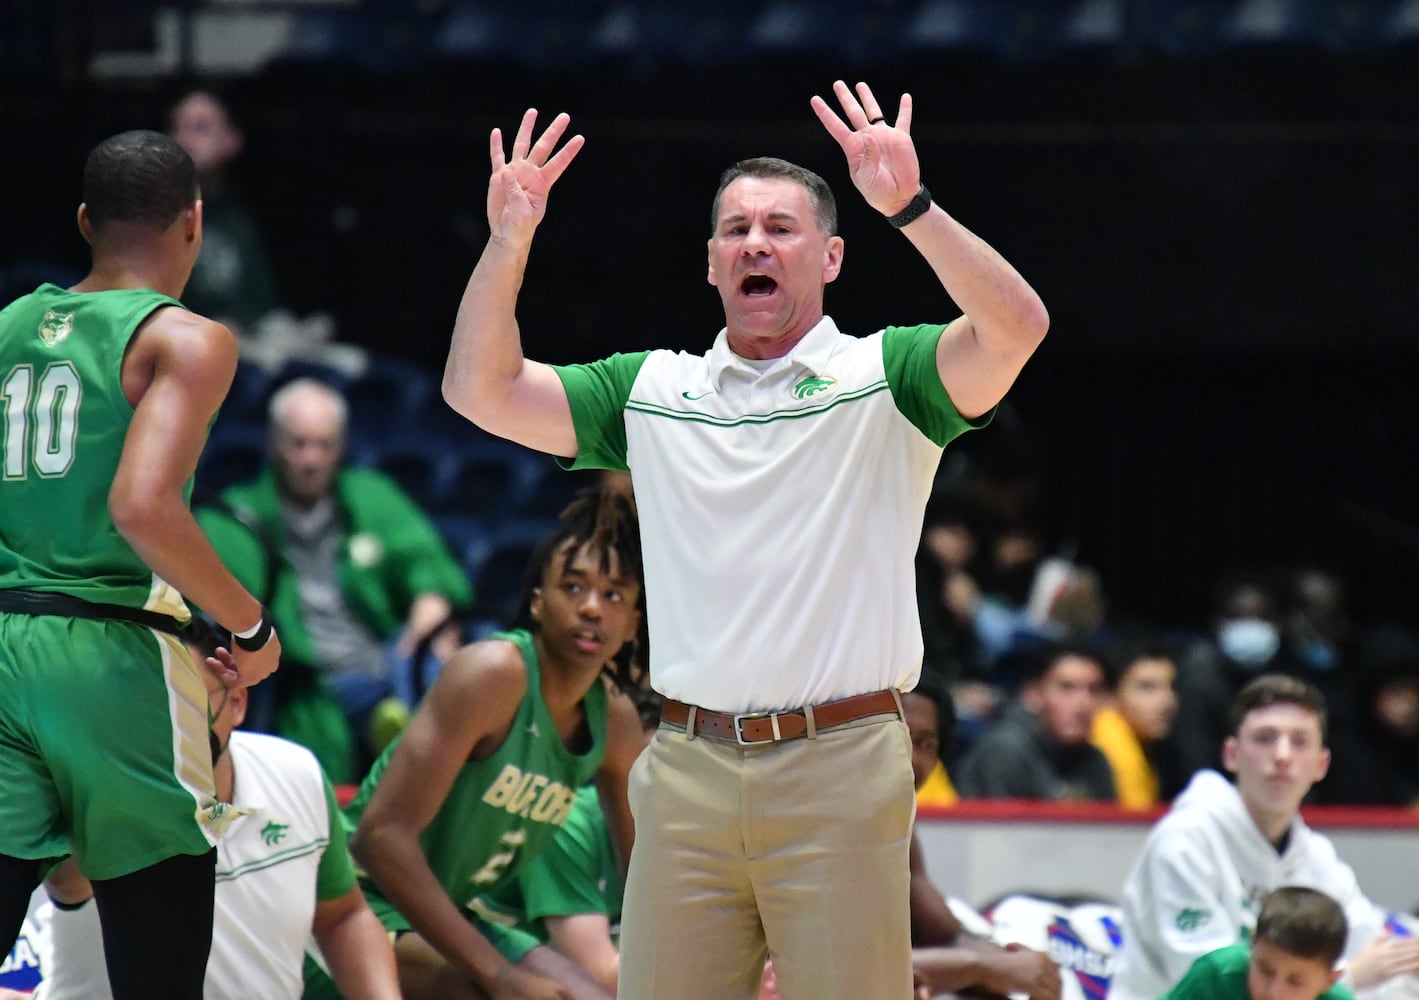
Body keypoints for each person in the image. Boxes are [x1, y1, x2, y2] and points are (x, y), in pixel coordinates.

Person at [440, 78, 1049, 999]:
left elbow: (1017, 327)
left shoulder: (885, 376)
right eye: (735, 229)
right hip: (682, 767)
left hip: (838, 765)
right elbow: (478, 390)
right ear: (712, 263)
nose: (755, 242)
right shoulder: (651, 389)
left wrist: (912, 209)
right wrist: (508, 240)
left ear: (832, 257)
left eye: (780, 227)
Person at [0, 128, 280, 1000]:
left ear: (87, 221)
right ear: (194, 222)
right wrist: (250, 626)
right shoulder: (190, 339)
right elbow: (141, 505)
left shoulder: (8, 327)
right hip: (114, 658)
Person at [302, 488, 649, 1000]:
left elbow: (643, 870)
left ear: (633, 623)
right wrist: (498, 975)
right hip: (351, 902)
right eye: (573, 587)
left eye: (614, 594)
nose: (592, 608)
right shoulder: (493, 674)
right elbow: (379, 838)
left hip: (448, 910)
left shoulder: (615, 718)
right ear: (537, 600)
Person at [22, 617, 399, 1000]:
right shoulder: (89, 791)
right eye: (144, 709)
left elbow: (343, 916)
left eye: (185, 707)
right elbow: (69, 883)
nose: (165, 730)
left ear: (236, 702)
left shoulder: (294, 773)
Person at [197, 376, 473, 783]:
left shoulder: (371, 495)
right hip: (318, 674)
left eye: (324, 444)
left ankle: (428, 741)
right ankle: (420, 748)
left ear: (341, 447)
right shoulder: (235, 516)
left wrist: (431, 601)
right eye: (299, 444)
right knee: (408, 694)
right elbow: (236, 610)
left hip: (391, 654)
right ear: (274, 443)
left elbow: (423, 559)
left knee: (461, 652)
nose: (311, 459)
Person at [1110, 674, 1419, 1000]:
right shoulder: (1184, 840)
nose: (1283, 755)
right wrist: (1348, 981)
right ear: (1231, 754)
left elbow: (1377, 950)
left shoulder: (1316, 857)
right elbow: (1213, 986)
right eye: (1265, 738)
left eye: (1299, 741)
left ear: (1321, 764)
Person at [168, 89, 280, 331]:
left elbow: (262, 305)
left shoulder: (240, 219)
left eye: (200, 128)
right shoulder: (157, 219)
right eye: (178, 129)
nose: (185, 141)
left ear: (232, 140)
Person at [955, 644, 1116, 801]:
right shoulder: (1005, 751)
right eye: (1066, 688)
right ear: (1033, 694)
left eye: (1094, 690)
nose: (1083, 704)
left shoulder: (1096, 760)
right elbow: (996, 827)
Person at [1161, 886, 1353, 1000]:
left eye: (1295, 982)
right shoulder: (1215, 976)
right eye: (1265, 971)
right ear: (1252, 945)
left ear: (1329, 981)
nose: (1273, 992)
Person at [1090, 638, 1179, 809]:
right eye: (1146, 687)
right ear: (1111, 695)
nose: (1166, 702)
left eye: (1172, 687)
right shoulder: (1111, 742)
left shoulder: (1144, 743)